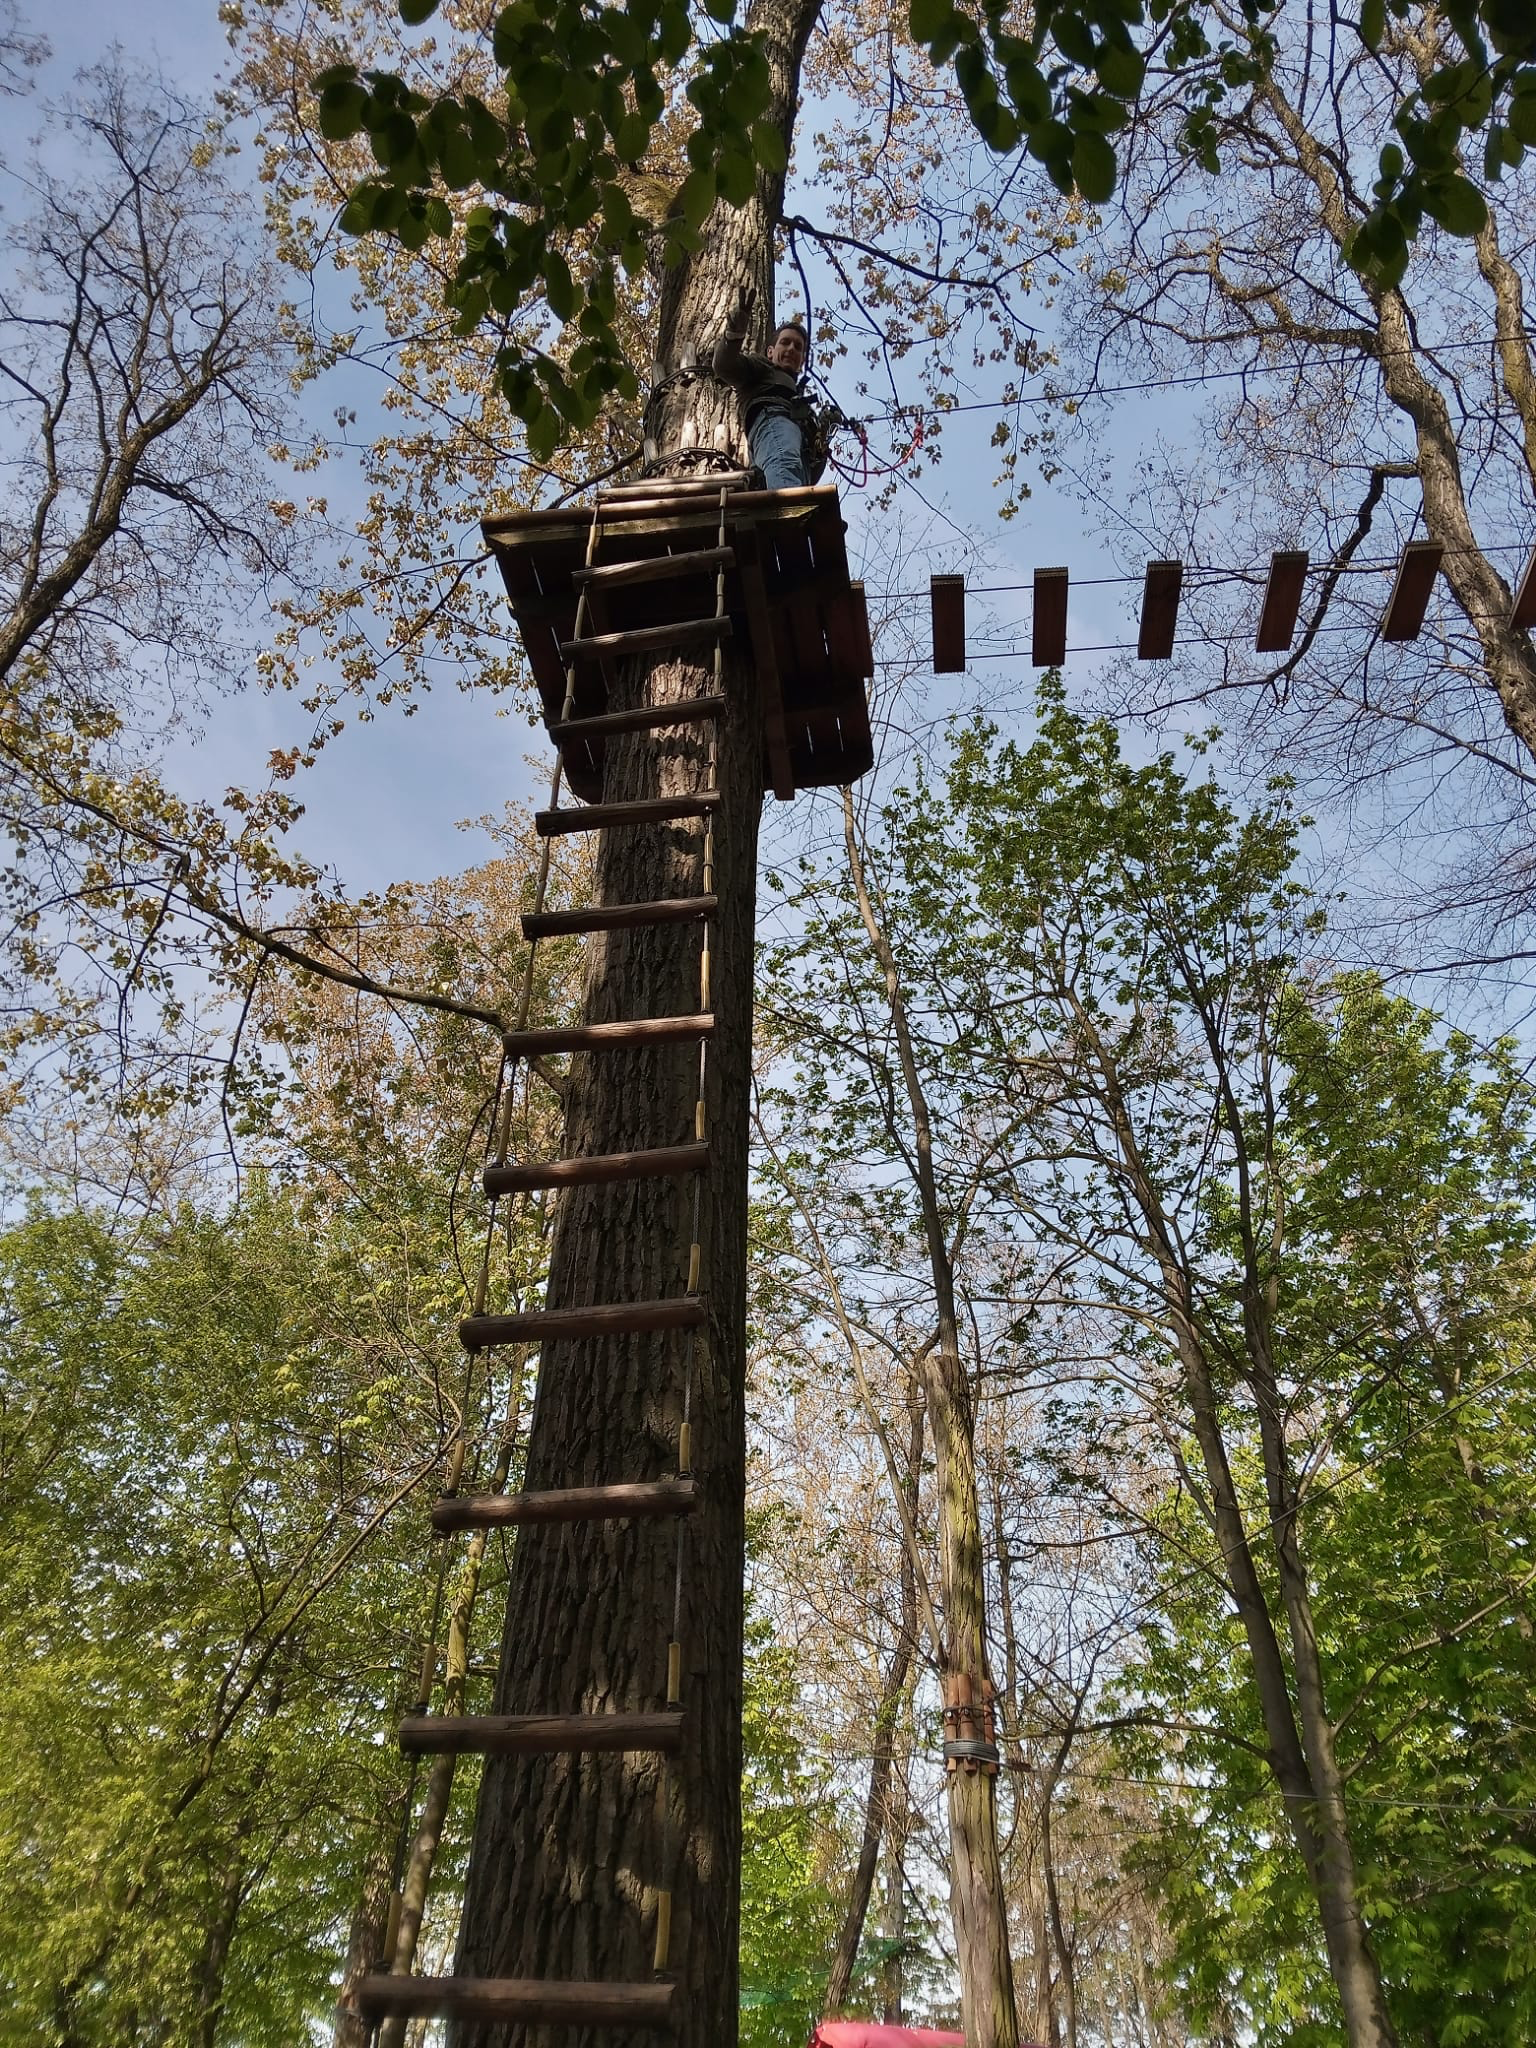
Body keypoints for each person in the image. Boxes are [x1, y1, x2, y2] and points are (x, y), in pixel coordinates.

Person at [711, 285, 824, 490]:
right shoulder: (762, 367)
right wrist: (733, 335)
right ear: (770, 352)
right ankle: (786, 515)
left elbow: (807, 473)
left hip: (791, 457)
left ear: (802, 360)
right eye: (786, 343)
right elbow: (723, 366)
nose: (791, 349)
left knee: (791, 471)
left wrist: (821, 440)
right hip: (772, 419)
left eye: (798, 347)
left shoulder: (796, 398)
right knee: (785, 463)